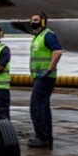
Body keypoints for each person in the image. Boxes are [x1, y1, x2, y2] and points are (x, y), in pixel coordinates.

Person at [28, 12, 63, 148]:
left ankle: (41, 137)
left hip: (45, 77)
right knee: (44, 108)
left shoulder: (48, 35)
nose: (33, 22)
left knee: (36, 107)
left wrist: (49, 69)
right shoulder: (38, 37)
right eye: (32, 20)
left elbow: (58, 51)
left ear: (43, 22)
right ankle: (47, 137)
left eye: (36, 20)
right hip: (39, 77)